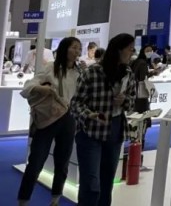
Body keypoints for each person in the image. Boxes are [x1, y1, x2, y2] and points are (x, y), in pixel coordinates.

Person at [71, 33, 137, 206]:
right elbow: (75, 104)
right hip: (91, 131)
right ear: (118, 50)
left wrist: (124, 101)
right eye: (130, 49)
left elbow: (132, 102)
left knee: (107, 183)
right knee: (91, 184)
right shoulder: (92, 72)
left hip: (115, 129)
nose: (132, 53)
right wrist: (90, 115)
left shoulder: (128, 73)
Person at [18, 37, 82, 206]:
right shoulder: (51, 67)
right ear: (64, 49)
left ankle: (55, 200)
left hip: (68, 119)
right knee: (35, 162)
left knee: (62, 163)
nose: (77, 51)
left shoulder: (79, 72)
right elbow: (27, 87)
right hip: (48, 119)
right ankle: (23, 201)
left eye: (78, 48)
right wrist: (42, 89)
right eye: (73, 47)